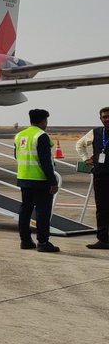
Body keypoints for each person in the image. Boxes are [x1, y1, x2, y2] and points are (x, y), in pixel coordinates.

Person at [15, 108, 60, 253]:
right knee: (42, 212)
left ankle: (25, 241)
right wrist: (53, 181)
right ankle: (43, 242)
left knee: (25, 210)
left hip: (23, 178)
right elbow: (46, 161)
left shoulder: (19, 135)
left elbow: (16, 155)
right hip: (40, 180)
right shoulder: (41, 136)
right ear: (43, 121)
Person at [75, 106, 109, 249]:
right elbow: (79, 145)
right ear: (100, 119)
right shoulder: (95, 132)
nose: (107, 119)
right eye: (104, 117)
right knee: (102, 209)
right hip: (100, 175)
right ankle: (103, 239)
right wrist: (85, 158)